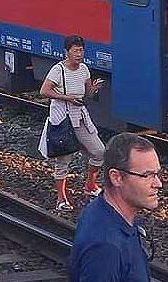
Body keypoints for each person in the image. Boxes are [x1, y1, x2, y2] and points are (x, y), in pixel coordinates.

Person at [69, 133, 163, 282]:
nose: (158, 184)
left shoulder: (99, 209)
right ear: (116, 177)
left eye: (157, 174)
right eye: (147, 175)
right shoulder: (106, 248)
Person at [38, 35, 106, 211]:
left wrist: (93, 89)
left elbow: (87, 94)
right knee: (64, 159)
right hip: (62, 119)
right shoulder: (57, 70)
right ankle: (61, 198)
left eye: (81, 50)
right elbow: (44, 91)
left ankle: (90, 184)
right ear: (66, 52)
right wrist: (67, 98)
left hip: (80, 117)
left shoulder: (84, 69)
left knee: (99, 151)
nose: (79, 54)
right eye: (75, 51)